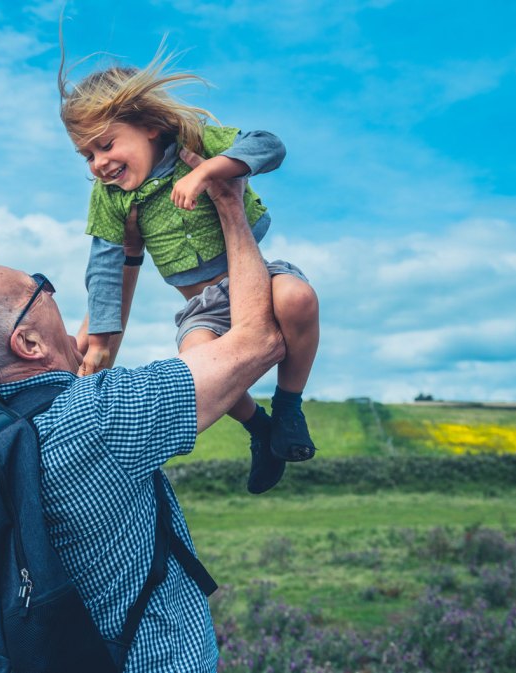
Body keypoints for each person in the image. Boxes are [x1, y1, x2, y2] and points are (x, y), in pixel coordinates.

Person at [0, 157, 282, 672]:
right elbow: (258, 341)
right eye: (39, 289)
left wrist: (129, 252)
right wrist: (230, 205)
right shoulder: (100, 417)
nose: (52, 293)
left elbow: (95, 349)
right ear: (27, 341)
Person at [59, 49, 321, 495]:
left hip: (257, 276)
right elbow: (104, 268)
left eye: (105, 145)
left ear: (150, 126)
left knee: (298, 297)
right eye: (87, 155)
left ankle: (289, 407)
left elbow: (268, 144)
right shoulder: (112, 198)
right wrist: (100, 344)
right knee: (196, 368)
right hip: (202, 307)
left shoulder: (195, 146)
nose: (98, 163)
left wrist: (210, 173)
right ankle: (262, 430)